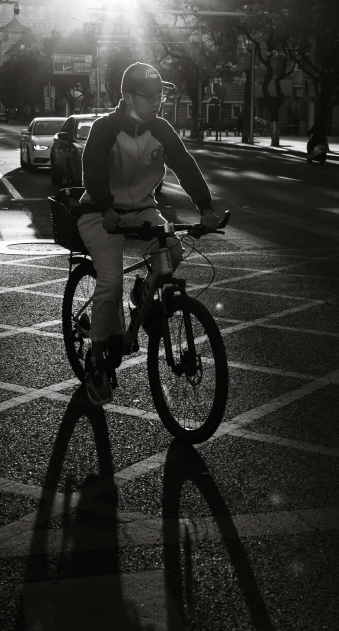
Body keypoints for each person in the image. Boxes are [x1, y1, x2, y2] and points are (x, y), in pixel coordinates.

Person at [77, 62, 220, 406]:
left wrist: (205, 206)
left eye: (160, 96)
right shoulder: (105, 128)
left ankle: (142, 294)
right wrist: (107, 208)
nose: (157, 102)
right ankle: (96, 361)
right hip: (99, 212)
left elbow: (184, 165)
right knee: (109, 282)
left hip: (141, 210)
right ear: (128, 97)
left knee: (172, 253)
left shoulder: (161, 129)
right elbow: (93, 169)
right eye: (150, 96)